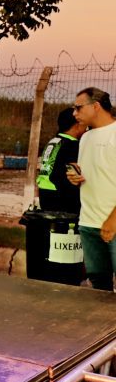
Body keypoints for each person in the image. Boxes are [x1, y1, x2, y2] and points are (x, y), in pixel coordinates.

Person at [67, 87, 116, 291]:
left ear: (96, 106)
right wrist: (74, 177)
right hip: (88, 223)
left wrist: (112, 220)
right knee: (98, 286)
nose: (74, 113)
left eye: (78, 108)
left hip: (113, 224)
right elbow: (89, 175)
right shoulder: (85, 137)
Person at [36, 108, 86, 213]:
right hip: (61, 197)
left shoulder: (54, 141)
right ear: (77, 125)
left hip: (44, 192)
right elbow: (75, 172)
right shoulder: (72, 144)